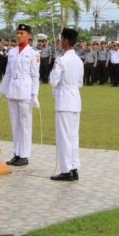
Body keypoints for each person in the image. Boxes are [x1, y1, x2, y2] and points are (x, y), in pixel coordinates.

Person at [0, 24, 40, 166]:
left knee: (25, 124)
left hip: (25, 92)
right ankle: (17, 153)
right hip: (13, 91)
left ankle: (24, 155)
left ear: (29, 36)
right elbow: (7, 74)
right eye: (17, 32)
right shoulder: (12, 52)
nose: (18, 35)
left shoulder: (33, 54)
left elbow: (35, 76)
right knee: (15, 124)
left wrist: (34, 95)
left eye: (22, 33)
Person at [49, 28, 83, 181]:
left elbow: (53, 81)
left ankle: (66, 170)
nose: (60, 42)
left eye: (61, 39)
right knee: (73, 135)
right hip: (75, 99)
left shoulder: (61, 60)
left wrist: (55, 66)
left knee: (64, 137)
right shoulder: (78, 60)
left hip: (64, 100)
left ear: (65, 41)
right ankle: (74, 167)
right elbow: (80, 83)